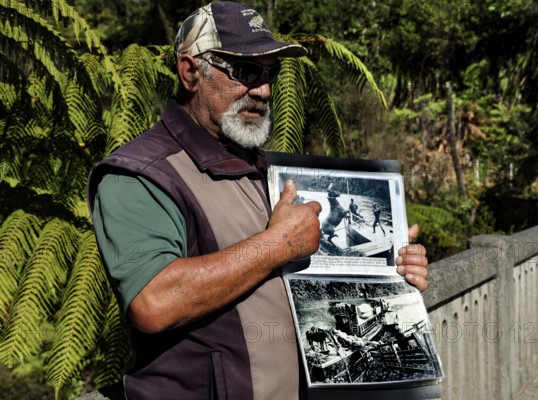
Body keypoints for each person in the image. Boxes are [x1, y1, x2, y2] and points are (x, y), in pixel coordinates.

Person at [87, 2, 429, 399]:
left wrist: (388, 270)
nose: (264, 90)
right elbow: (154, 301)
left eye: (270, 73)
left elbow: (310, 272)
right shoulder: (140, 174)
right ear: (190, 72)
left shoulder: (268, 169)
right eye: (246, 71)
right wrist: (279, 244)